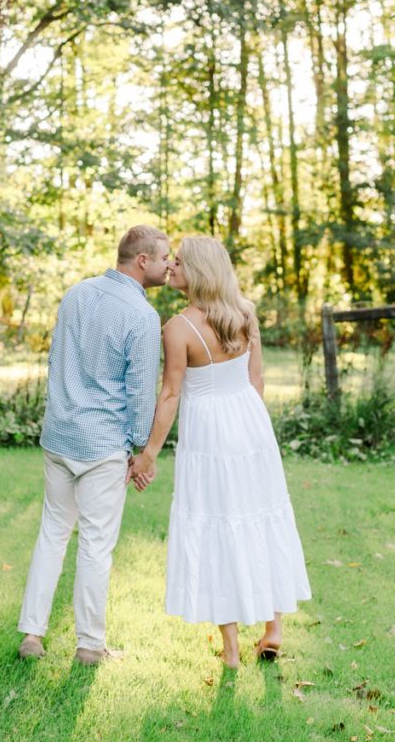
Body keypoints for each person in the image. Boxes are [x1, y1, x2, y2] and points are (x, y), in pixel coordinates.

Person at [128, 235, 311, 668]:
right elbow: (257, 378)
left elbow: (171, 394)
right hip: (251, 426)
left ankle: (230, 650)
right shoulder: (244, 312)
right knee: (261, 516)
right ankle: (273, 628)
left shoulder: (177, 327)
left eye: (179, 262)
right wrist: (250, 429)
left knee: (218, 525)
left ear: (199, 271)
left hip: (209, 433)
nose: (170, 266)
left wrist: (150, 452)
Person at [18, 225, 170, 665]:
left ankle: (32, 634)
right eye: (164, 257)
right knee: (96, 545)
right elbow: (141, 392)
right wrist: (138, 450)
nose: (168, 265)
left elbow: (55, 361)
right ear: (142, 260)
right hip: (103, 444)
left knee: (52, 534)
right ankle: (89, 645)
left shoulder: (76, 294)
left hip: (60, 434)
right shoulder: (142, 317)